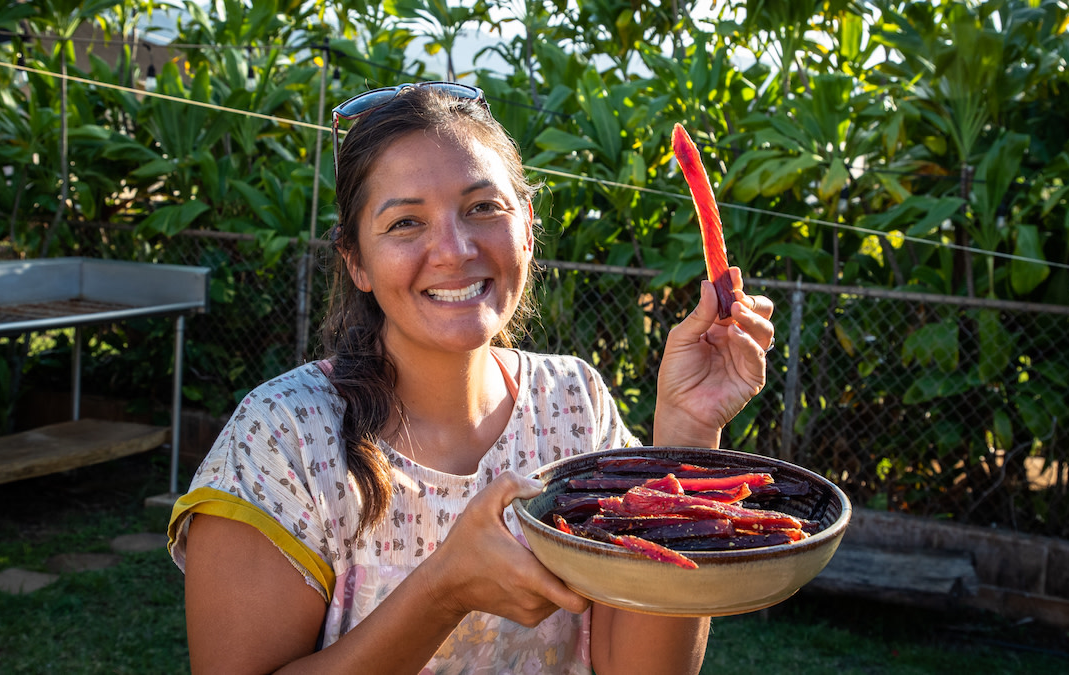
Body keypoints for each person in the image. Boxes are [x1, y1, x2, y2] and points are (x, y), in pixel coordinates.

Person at [167, 81, 776, 674]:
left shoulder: (575, 404)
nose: (455, 250)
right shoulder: (283, 438)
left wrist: (687, 435)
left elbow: (640, 668)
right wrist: (443, 590)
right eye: (406, 223)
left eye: (483, 207)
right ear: (356, 260)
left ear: (528, 227)